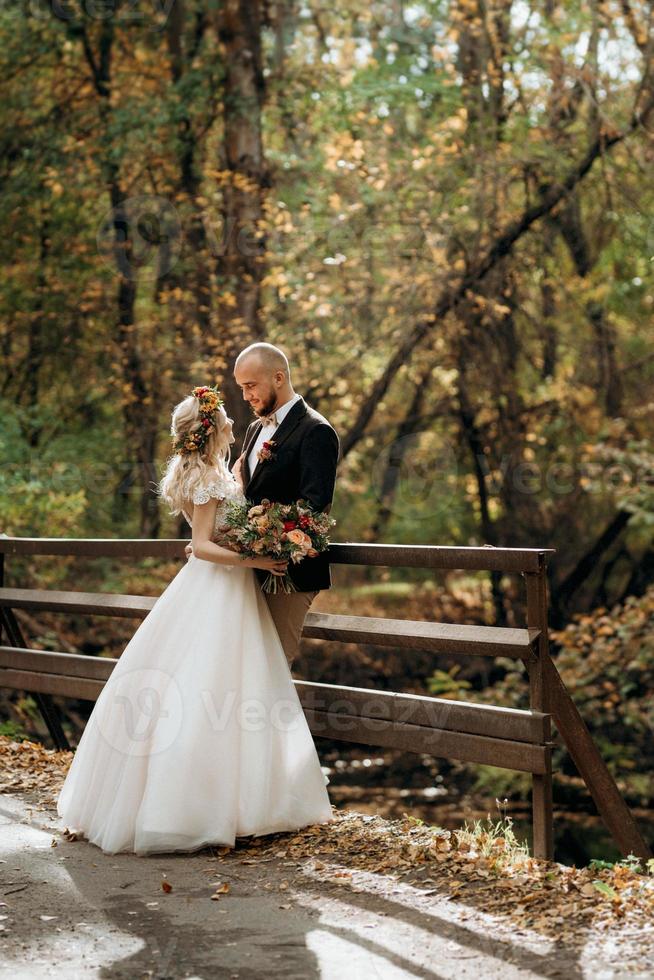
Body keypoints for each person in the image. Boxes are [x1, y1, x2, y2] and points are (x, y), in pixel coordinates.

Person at [56, 384, 334, 856]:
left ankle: (243, 801)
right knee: (213, 687)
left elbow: (214, 531)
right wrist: (258, 562)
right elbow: (204, 545)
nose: (232, 422)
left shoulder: (215, 470)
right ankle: (199, 806)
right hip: (219, 587)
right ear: (210, 430)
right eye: (224, 418)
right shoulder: (207, 476)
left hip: (223, 589)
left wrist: (251, 533)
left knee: (230, 687)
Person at [186, 342, 340, 670]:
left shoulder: (316, 431)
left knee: (270, 669)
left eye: (251, 386)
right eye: (242, 388)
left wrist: (264, 547)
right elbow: (246, 500)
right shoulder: (256, 429)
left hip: (289, 574)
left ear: (279, 378)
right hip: (248, 571)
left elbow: (314, 509)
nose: (246, 396)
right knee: (239, 668)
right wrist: (219, 537)